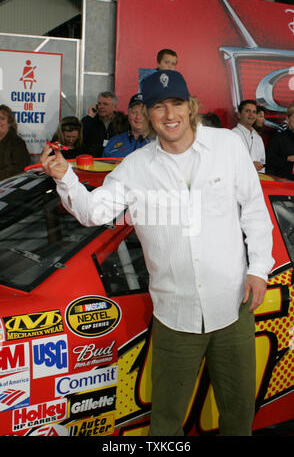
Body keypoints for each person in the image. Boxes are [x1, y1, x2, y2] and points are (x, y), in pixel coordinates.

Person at [40, 70, 274, 436]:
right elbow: (94, 213)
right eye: (158, 107)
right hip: (175, 318)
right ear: (146, 114)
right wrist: (64, 177)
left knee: (238, 417)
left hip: (233, 307)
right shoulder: (135, 168)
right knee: (165, 424)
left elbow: (255, 210)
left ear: (191, 106)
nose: (169, 114)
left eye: (176, 104)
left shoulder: (227, 147)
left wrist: (259, 267)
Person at [103, 93, 151, 158]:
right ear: (128, 114)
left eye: (143, 113)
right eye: (134, 112)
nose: (138, 117)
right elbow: (103, 166)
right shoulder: (113, 141)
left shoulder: (159, 142)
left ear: (150, 115)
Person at [82, 91, 119, 157]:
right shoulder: (90, 121)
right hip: (94, 161)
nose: (101, 107)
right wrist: (90, 116)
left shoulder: (123, 122)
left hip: (115, 160)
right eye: (99, 104)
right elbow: (80, 137)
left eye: (105, 104)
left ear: (114, 107)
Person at [232, 100, 265, 172]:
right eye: (247, 111)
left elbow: (262, 165)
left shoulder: (258, 138)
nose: (251, 114)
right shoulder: (232, 135)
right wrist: (250, 165)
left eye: (254, 112)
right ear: (239, 115)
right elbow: (228, 162)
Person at [0, 104, 30, 181]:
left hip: (8, 186)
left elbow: (19, 168)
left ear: (9, 122)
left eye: (2, 119)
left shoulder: (17, 143)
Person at [266, 102, 294, 180]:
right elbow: (269, 161)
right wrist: (287, 158)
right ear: (287, 119)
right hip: (284, 186)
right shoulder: (278, 138)